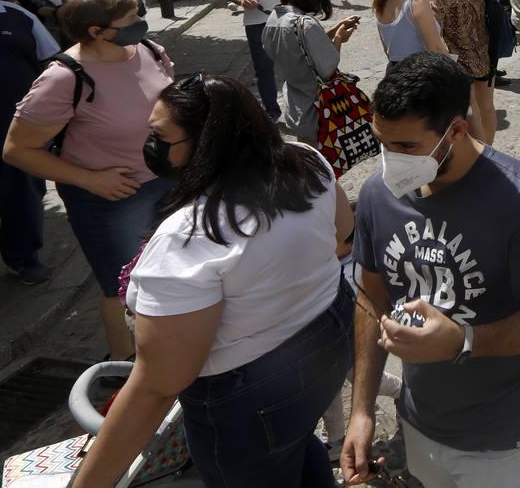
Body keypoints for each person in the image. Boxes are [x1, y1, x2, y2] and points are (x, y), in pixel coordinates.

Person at [70, 74, 353, 488]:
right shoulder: (305, 160)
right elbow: (341, 232)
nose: (151, 145)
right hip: (327, 341)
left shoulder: (189, 238)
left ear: (208, 143)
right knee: (292, 443)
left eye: (161, 136)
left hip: (249, 397)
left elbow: (157, 386)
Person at [341, 52, 520, 488]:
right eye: (382, 143)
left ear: (456, 130)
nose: (391, 160)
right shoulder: (378, 194)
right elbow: (372, 296)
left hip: (504, 441)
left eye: (407, 147)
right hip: (419, 424)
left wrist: (464, 340)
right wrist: (361, 409)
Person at [4, 0, 175, 360]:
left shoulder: (149, 50)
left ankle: (168, 354)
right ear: (98, 32)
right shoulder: (64, 78)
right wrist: (89, 179)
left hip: (168, 182)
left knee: (170, 275)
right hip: (111, 199)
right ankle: (125, 368)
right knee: (124, 289)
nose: (141, 23)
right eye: (131, 19)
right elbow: (16, 150)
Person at [0, 0, 58, 339]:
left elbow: (53, 64)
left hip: (16, 133)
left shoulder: (15, 16)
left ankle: (25, 259)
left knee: (23, 196)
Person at [262, 0, 359, 146]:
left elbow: (301, 45)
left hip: (295, 100)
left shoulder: (275, 18)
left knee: (307, 156)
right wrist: (338, 39)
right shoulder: (306, 23)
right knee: (322, 160)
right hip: (316, 105)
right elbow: (328, 69)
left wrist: (332, 30)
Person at [223, 0, 309, 119]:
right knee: (263, 69)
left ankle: (304, 108)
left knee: (297, 64)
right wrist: (240, 0)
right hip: (257, 22)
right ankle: (272, 111)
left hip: (287, 19)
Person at [430, 0, 495, 144]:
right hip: (484, 51)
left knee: (472, 110)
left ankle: (481, 154)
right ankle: (490, 148)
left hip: (458, 58)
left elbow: (434, 30)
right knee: (487, 106)